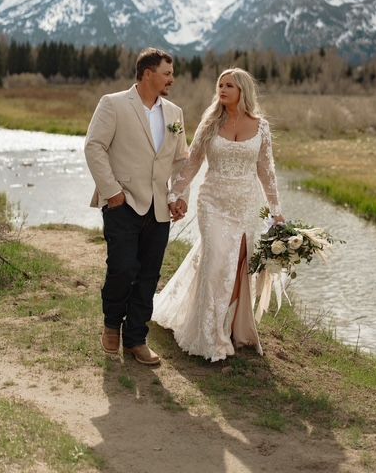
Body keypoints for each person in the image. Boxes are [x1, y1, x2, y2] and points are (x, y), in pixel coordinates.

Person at [152, 68, 285, 362]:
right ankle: (209, 336)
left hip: (248, 205)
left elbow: (267, 173)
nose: (222, 90)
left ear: (243, 91)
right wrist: (176, 193)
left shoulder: (261, 127)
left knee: (239, 268)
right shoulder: (211, 123)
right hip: (212, 203)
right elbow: (192, 162)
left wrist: (277, 213)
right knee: (214, 263)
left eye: (229, 86)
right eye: (220, 85)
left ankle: (234, 328)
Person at [84, 48, 188, 366]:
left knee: (148, 275)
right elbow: (94, 146)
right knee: (123, 268)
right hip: (122, 202)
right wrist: (111, 191)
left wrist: (178, 196)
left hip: (159, 208)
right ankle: (112, 325)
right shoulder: (113, 104)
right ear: (147, 74)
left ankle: (136, 340)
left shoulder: (175, 113)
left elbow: (181, 159)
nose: (172, 78)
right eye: (167, 73)